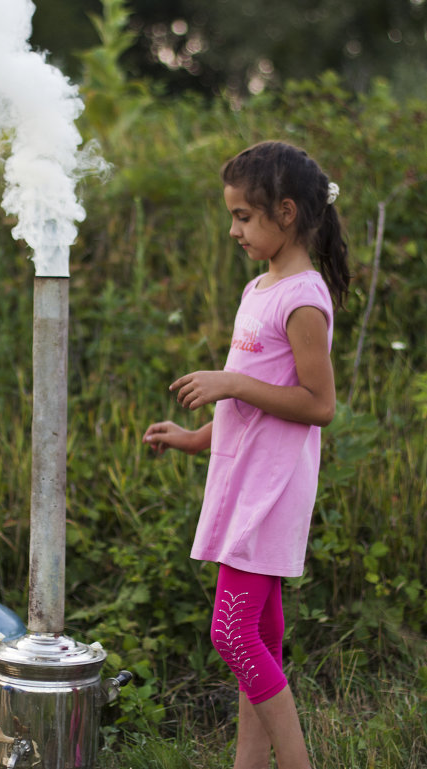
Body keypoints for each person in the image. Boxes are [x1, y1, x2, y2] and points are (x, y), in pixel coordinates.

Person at [142, 141, 350, 769]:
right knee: (259, 635)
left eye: (243, 216)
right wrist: (195, 437)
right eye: (231, 215)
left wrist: (228, 382)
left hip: (272, 490)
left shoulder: (303, 299)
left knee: (231, 634)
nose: (233, 229)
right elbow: (250, 410)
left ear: (286, 212)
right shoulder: (259, 287)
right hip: (245, 482)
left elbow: (318, 404)